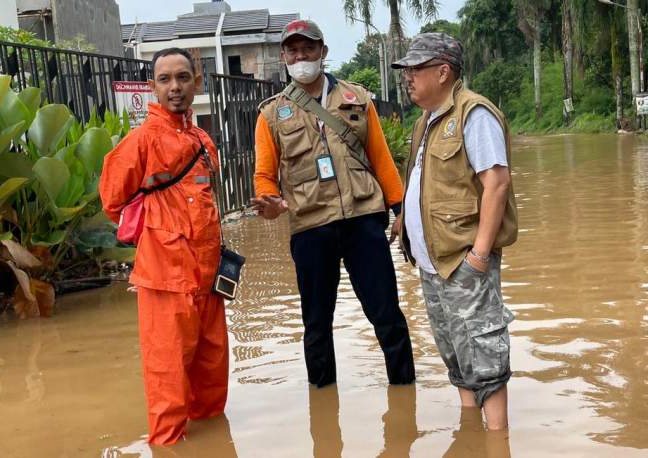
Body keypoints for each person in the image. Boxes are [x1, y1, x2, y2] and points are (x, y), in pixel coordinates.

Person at [251, 19, 415, 388]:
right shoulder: (271, 114)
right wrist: (271, 202)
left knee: (387, 315)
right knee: (317, 324)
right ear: (284, 58)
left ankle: (405, 395)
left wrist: (400, 210)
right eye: (293, 50)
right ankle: (324, 410)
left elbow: (381, 158)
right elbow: (264, 175)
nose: (301, 56)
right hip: (310, 227)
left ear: (323, 52)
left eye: (308, 48)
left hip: (363, 221)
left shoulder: (357, 98)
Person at [389, 33, 518, 430]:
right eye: (406, 70)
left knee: (486, 359)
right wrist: (403, 221)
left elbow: (496, 183)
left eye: (416, 69)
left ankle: (497, 443)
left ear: (443, 71)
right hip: (433, 266)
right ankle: (469, 436)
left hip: (464, 262)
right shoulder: (425, 121)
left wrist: (478, 256)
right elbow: (426, 181)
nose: (407, 77)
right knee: (457, 357)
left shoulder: (473, 114)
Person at [99, 47, 228, 445]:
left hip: (208, 275)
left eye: (183, 78)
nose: (175, 87)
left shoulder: (203, 139)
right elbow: (112, 200)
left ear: (196, 82)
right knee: (167, 383)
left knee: (212, 378)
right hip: (166, 279)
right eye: (165, 79)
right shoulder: (140, 141)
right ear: (153, 87)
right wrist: (156, 228)